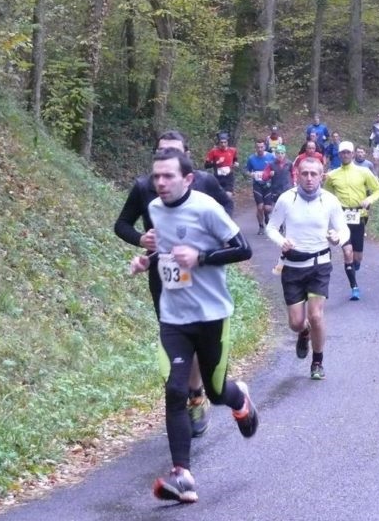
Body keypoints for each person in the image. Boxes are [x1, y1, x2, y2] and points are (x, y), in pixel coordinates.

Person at [129, 148, 259, 503]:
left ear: (187, 178)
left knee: (216, 392)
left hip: (212, 315)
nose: (160, 183)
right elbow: (168, 251)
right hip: (174, 317)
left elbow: (243, 249)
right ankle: (182, 476)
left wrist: (201, 257)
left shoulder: (206, 208)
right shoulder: (154, 209)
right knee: (176, 390)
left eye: (167, 176)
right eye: (156, 176)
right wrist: (146, 260)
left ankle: (241, 400)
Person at [114, 131, 234, 441]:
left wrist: (206, 251)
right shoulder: (144, 187)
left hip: (202, 272)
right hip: (164, 274)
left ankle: (196, 395)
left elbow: (226, 217)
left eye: (173, 152)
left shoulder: (204, 183)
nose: (165, 159)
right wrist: (141, 239)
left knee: (197, 344)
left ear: (186, 160)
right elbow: (122, 224)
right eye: (161, 152)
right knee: (179, 340)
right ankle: (189, 395)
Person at [265, 157, 349, 380]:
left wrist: (337, 237)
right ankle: (303, 333)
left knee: (316, 316)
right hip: (292, 267)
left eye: (314, 174)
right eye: (305, 174)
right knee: (295, 323)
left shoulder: (330, 201)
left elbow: (344, 229)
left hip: (319, 265)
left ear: (322, 176)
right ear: (297, 175)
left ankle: (317, 362)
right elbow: (271, 228)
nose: (309, 178)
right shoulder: (286, 199)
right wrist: (281, 241)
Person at [323, 141, 379, 301]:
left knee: (357, 257)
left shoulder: (364, 172)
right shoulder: (332, 175)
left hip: (358, 216)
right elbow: (325, 195)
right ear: (339, 155)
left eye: (348, 152)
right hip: (341, 218)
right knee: (347, 252)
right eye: (343, 152)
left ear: (353, 154)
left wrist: (369, 199)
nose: (345, 155)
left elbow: (378, 190)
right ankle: (354, 287)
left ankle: (354, 266)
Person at [246, 139, 275, 235]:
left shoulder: (271, 157)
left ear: (265, 147)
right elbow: (246, 170)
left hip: (268, 185)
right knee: (259, 207)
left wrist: (272, 173)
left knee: (267, 208)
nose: (260, 149)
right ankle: (261, 226)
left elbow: (276, 168)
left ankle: (266, 216)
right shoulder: (251, 158)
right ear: (255, 147)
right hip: (257, 185)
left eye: (262, 147)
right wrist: (250, 174)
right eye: (258, 147)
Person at [203, 133, 239, 200]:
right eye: (221, 142)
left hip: (229, 177)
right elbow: (206, 166)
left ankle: (227, 209)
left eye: (225, 142)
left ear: (227, 142)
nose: (223, 144)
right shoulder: (213, 151)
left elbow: (235, 159)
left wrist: (235, 163)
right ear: (218, 143)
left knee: (228, 196)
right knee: (218, 198)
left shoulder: (233, 150)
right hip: (218, 177)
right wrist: (216, 162)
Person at [261, 144, 294, 217]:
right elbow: (264, 177)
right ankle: (271, 219)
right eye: (278, 153)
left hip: (287, 188)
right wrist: (269, 174)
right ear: (275, 154)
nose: (280, 155)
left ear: (285, 154)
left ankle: (284, 225)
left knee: (287, 207)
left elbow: (293, 174)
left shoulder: (289, 163)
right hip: (275, 189)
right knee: (276, 208)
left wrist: (294, 183)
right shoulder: (271, 164)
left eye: (282, 153)